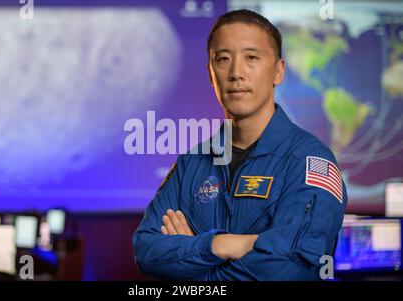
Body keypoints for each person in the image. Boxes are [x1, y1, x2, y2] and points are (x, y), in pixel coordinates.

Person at [132, 9, 347, 280]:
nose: (236, 73)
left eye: (251, 58)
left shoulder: (311, 162)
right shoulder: (192, 163)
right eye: (223, 59)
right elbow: (147, 252)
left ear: (278, 71)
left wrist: (194, 266)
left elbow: (289, 269)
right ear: (211, 74)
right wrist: (220, 244)